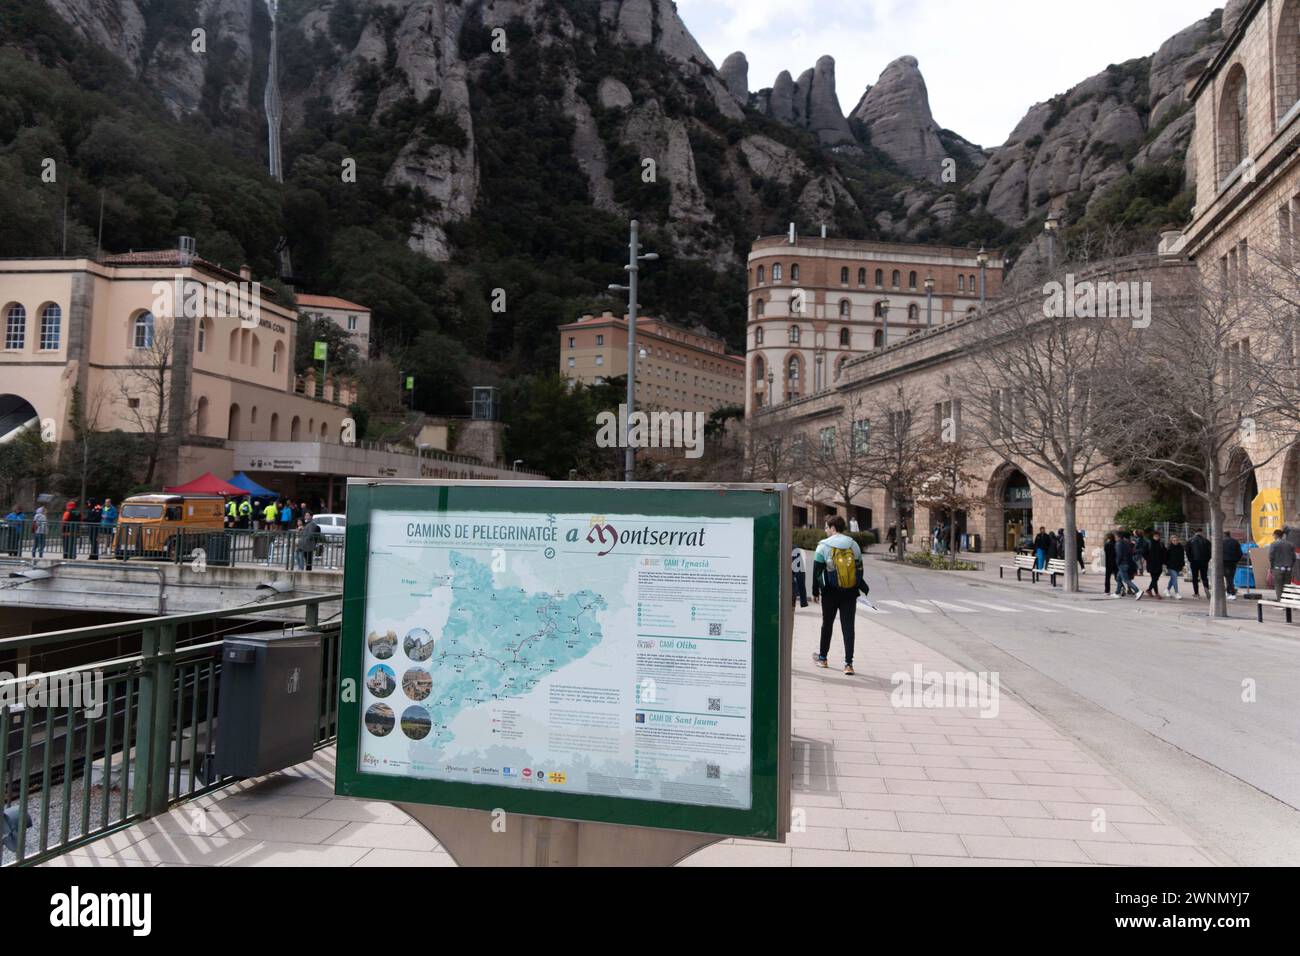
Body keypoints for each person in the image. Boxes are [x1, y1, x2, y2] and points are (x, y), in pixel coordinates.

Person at [813, 516, 869, 676]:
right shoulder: (854, 544)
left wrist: (815, 592)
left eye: (826, 527)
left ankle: (823, 658)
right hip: (850, 592)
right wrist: (854, 586)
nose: (825, 530)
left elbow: (817, 572)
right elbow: (859, 569)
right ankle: (848, 664)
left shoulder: (823, 546)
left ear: (832, 528)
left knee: (827, 624)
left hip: (829, 593)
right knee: (848, 627)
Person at [1268, 529, 1296, 602]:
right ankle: (1287, 602)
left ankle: (1281, 602)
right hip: (1288, 569)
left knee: (1278, 586)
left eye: (1273, 535)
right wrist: (1291, 566)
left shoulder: (1274, 544)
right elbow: (1294, 557)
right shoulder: (1290, 544)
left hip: (1278, 569)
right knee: (1287, 586)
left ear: (1276, 535)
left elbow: (1271, 557)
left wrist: (1271, 567)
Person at [1114, 532, 1141, 599]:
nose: (1115, 538)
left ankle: (1138, 591)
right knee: (1119, 578)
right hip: (1126, 563)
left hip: (1122, 564)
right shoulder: (1125, 543)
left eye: (1115, 536)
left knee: (1126, 580)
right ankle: (1117, 593)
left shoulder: (1119, 544)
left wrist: (1117, 563)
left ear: (1118, 536)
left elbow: (1119, 555)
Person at [1187, 531, 1211, 598]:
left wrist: (1190, 560)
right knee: (1204, 576)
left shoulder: (1190, 540)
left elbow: (1187, 551)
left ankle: (1196, 593)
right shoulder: (1207, 541)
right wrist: (1207, 560)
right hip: (1204, 561)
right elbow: (1210, 552)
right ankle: (1206, 587)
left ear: (1195, 533)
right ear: (1202, 533)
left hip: (1194, 561)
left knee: (1195, 577)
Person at [1221, 532, 1243, 601]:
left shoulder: (1221, 542)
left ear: (1224, 535)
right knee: (1230, 577)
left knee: (1228, 578)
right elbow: (1240, 553)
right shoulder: (1235, 542)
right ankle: (1229, 592)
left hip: (1224, 561)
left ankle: (1232, 593)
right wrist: (1236, 560)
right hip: (1233, 562)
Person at [1145, 530, 1166, 599]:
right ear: (1153, 536)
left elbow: (1164, 553)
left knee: (1156, 579)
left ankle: (1149, 590)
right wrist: (1148, 559)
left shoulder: (1161, 543)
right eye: (1155, 536)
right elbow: (1144, 553)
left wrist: (1163, 561)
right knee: (1154, 578)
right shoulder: (1149, 543)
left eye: (1158, 536)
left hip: (1159, 564)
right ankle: (1157, 593)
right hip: (1151, 564)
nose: (1157, 537)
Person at [1164, 533, 1185, 600]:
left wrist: (1182, 566)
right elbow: (1165, 558)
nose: (1175, 541)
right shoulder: (1169, 548)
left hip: (1178, 566)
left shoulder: (1181, 547)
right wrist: (1166, 566)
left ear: (1178, 540)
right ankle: (1176, 593)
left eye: (1176, 540)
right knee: (1175, 578)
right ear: (1171, 541)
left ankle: (1167, 590)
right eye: (1173, 540)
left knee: (1172, 579)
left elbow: (1182, 557)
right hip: (1171, 566)